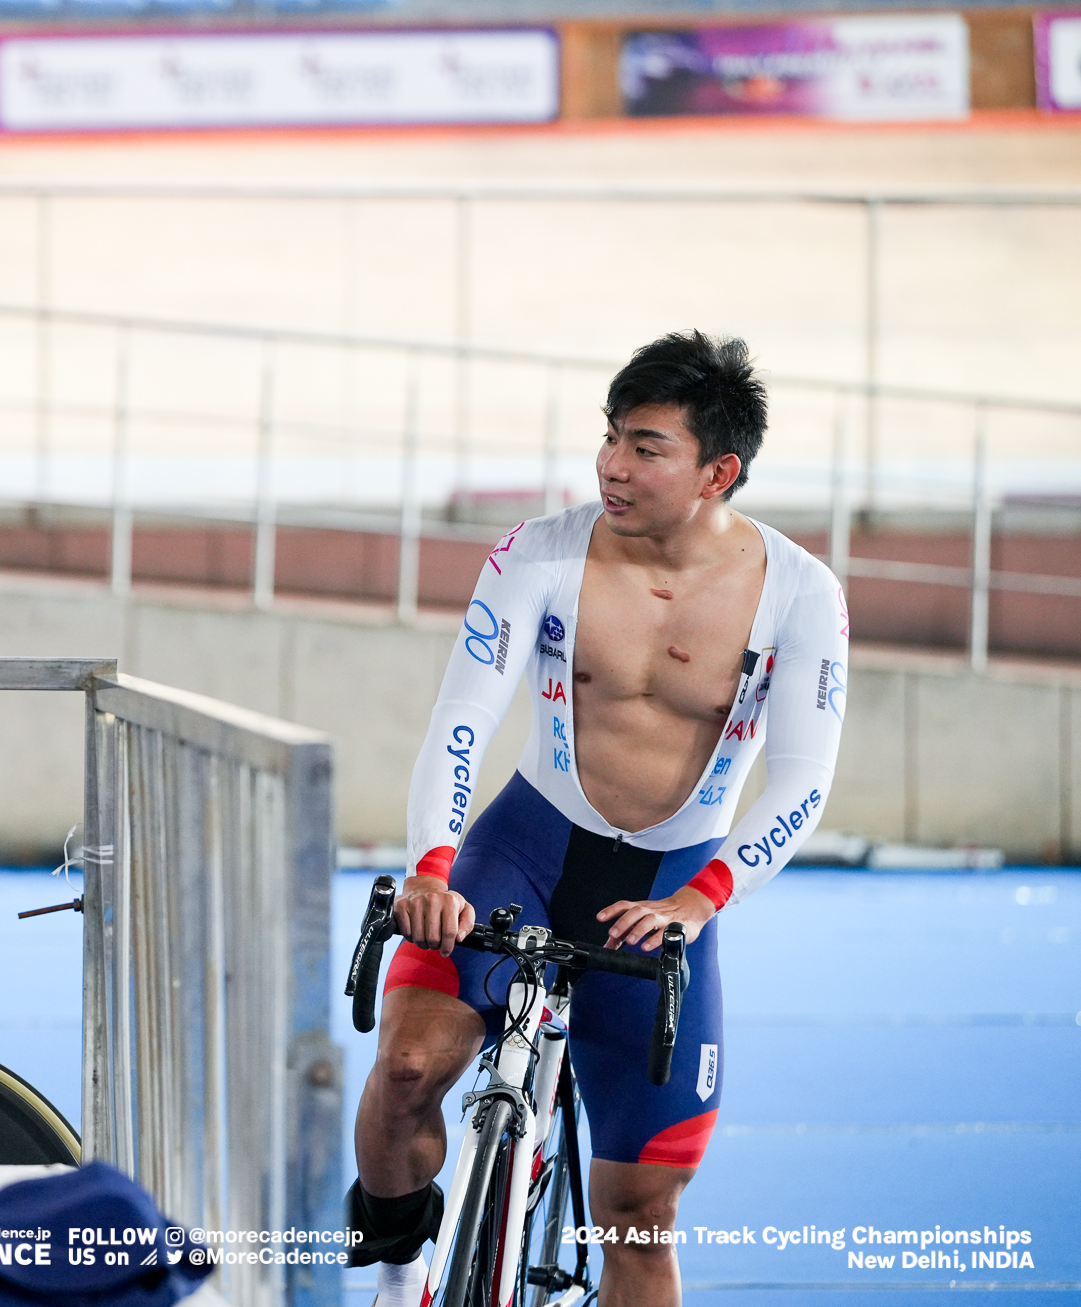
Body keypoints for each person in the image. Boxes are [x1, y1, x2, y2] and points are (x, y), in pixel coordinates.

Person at [350, 331, 848, 1307]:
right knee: (407, 1065)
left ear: (718, 471)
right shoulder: (540, 555)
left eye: (646, 447)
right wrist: (432, 865)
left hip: (666, 887)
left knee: (639, 1220)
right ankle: (401, 1275)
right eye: (610, 437)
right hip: (523, 850)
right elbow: (461, 717)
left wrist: (699, 902)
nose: (611, 465)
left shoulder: (798, 593)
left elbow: (801, 780)